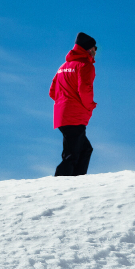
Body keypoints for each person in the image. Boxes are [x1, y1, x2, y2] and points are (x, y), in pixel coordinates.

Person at [49, 32, 97, 177]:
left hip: (63, 116)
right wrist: (90, 106)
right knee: (71, 155)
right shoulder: (85, 65)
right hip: (74, 116)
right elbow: (85, 90)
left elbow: (52, 92)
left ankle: (76, 182)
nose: (96, 52)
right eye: (95, 48)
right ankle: (60, 184)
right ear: (88, 49)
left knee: (85, 149)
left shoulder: (63, 67)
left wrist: (63, 103)